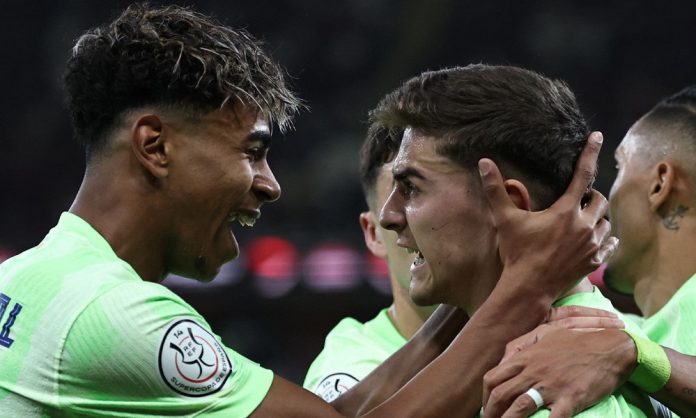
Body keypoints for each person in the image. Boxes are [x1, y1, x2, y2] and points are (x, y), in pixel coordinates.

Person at [0, 4, 615, 417]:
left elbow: (337, 415)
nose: (270, 185)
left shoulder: (32, 278)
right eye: (252, 152)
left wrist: (488, 283)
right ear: (155, 147)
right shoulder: (116, 317)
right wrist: (527, 285)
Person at [375, 64, 656, 417]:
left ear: (508, 205)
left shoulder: (551, 401)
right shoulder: (616, 348)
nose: (387, 215)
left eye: (411, 188)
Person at [481, 86, 696, 418]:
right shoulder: (612, 331)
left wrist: (634, 353)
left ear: (660, 185)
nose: (605, 197)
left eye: (620, 166)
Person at [303, 125, 437, 400]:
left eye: (430, 194)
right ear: (373, 233)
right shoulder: (350, 371)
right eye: (406, 193)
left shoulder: (529, 343)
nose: (422, 221)